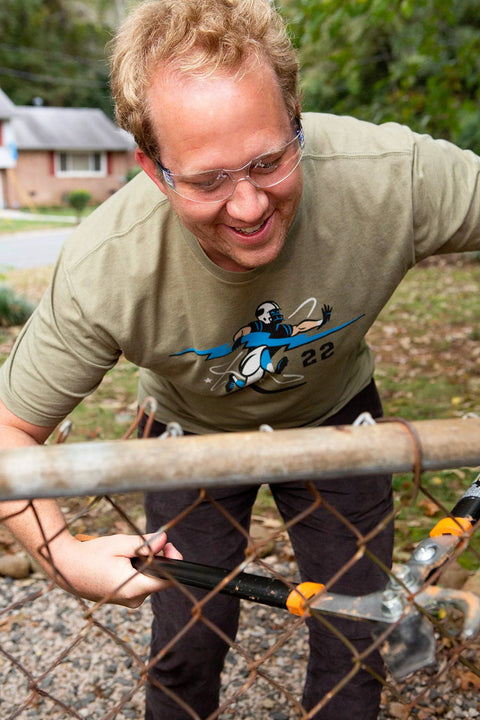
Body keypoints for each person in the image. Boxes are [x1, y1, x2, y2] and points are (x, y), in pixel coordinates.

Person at [0, 0, 479, 718]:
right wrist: (61, 555)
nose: (249, 205)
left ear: (297, 116)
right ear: (154, 171)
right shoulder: (110, 266)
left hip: (338, 420)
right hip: (190, 431)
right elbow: (8, 432)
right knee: (189, 639)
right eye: (207, 180)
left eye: (269, 160)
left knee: (355, 634)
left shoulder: (390, 177)